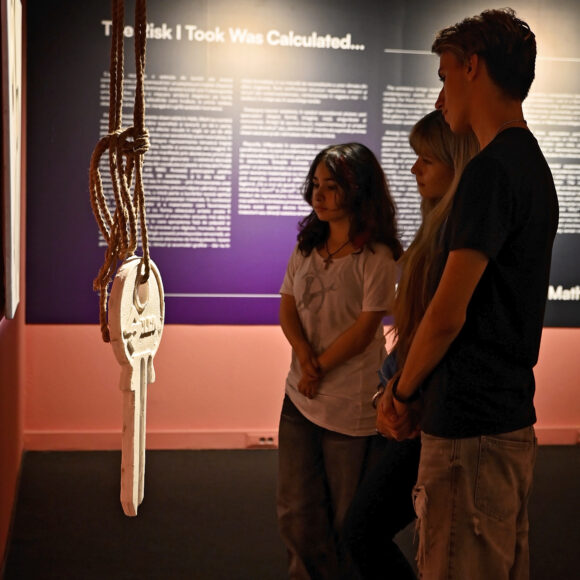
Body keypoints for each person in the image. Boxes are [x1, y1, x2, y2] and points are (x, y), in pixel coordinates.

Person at [377, 8, 559, 580]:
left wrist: (401, 392)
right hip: (505, 418)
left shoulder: (490, 170)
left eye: (444, 75)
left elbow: (447, 314)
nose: (441, 97)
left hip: (468, 430)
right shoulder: (532, 165)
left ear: (472, 67)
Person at [342, 111, 478, 580]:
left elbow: (440, 327)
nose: (414, 168)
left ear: (456, 166)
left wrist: (398, 394)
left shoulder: (454, 241)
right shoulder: (433, 235)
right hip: (415, 400)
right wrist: (390, 390)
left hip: (431, 409)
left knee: (367, 532)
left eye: (427, 160)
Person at [277, 142, 402, 579]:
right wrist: (304, 357)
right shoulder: (307, 246)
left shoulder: (377, 256)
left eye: (331, 186)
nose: (319, 195)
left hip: (350, 407)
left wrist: (319, 367)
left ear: (358, 189)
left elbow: (366, 328)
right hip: (301, 399)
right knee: (296, 513)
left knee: (348, 520)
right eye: (316, 185)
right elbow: (287, 305)